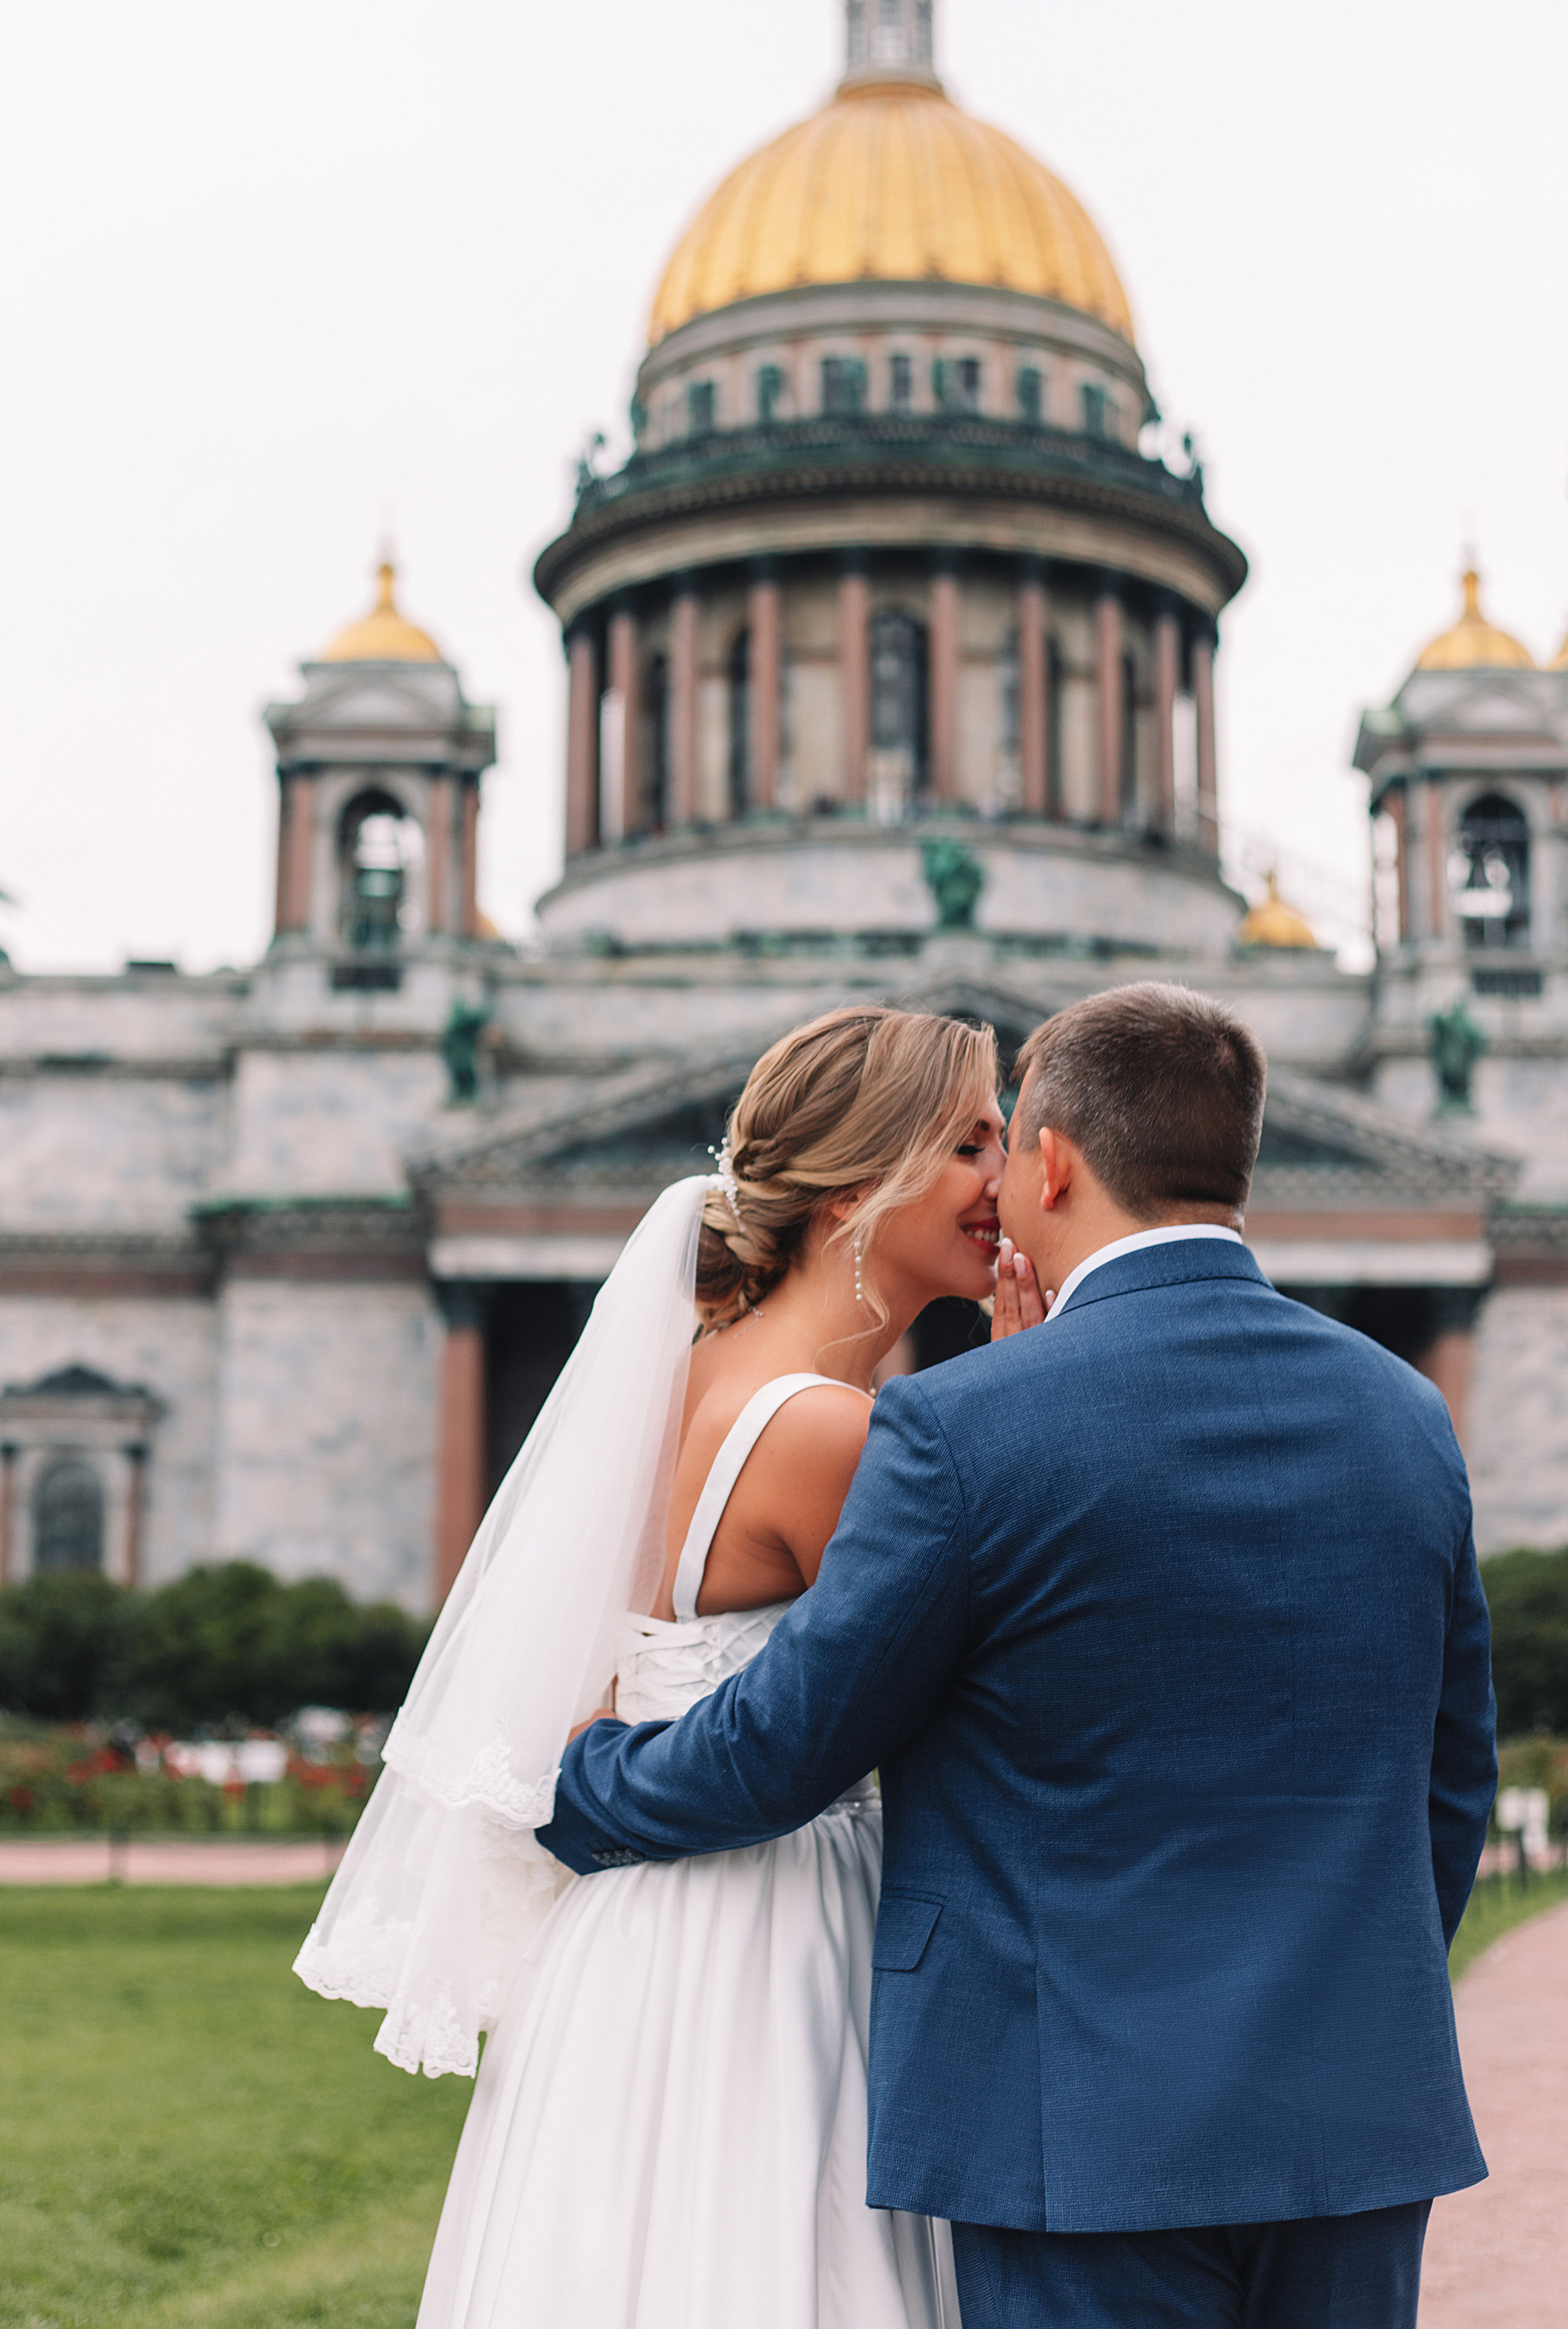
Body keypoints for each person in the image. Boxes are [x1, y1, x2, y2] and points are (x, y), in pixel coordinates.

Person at [540, 981, 1499, 2329]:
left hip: (1071, 2117)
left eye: (1003, 1141)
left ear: (1051, 1159)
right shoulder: (1404, 1415)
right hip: (1345, 2112)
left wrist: (580, 1785)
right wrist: (1349, 1994)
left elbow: (792, 1741)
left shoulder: (955, 1429)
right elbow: (1451, 1781)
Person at [297, 1002, 1029, 2328]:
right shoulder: (830, 1435)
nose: (1012, 1174)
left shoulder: (688, 1377)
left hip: (632, 1943)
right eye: (974, 1141)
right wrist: (1033, 1379)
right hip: (777, 1940)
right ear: (861, 1181)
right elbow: (995, 1714)